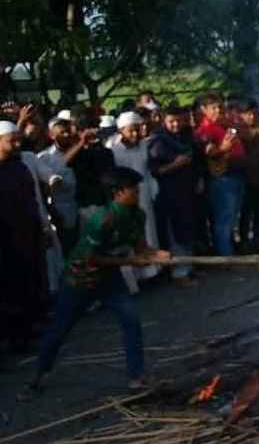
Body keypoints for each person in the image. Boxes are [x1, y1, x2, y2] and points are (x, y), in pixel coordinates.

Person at [20, 167, 171, 400]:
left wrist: (156, 254)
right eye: (134, 188)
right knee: (60, 330)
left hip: (110, 279)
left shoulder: (137, 215)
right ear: (117, 193)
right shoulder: (103, 220)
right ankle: (38, 376)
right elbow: (90, 257)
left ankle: (136, 377)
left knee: (131, 321)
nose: (138, 191)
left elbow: (141, 248)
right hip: (80, 280)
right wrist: (128, 260)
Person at [0, 120, 49, 360]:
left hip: (26, 234)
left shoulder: (19, 167)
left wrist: (42, 226)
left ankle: (26, 332)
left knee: (27, 282)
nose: (18, 143)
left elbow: (33, 199)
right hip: (5, 240)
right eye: (12, 140)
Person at [148, 106, 199, 285]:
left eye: (178, 120)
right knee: (175, 235)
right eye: (171, 121)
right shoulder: (158, 142)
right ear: (164, 122)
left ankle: (189, 268)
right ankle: (179, 273)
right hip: (169, 195)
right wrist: (175, 165)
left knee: (188, 231)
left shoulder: (184, 136)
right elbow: (156, 171)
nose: (176, 124)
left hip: (186, 192)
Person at [109, 112, 160, 283]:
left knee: (148, 232)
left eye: (137, 130)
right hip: (125, 199)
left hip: (144, 195)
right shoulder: (113, 150)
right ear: (121, 130)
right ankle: (134, 278)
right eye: (131, 131)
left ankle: (152, 273)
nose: (135, 134)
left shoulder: (144, 146)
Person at [196, 93, 244, 257]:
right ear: (204, 109)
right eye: (213, 107)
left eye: (220, 106)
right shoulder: (205, 129)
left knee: (230, 218)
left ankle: (228, 250)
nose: (218, 110)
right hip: (222, 179)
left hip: (234, 175)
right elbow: (209, 152)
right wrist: (223, 148)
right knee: (224, 218)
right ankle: (225, 256)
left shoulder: (222, 125)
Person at [37, 119, 80, 250]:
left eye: (68, 132)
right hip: (59, 210)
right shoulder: (45, 157)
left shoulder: (81, 152)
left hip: (78, 207)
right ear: (52, 135)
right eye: (62, 132)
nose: (66, 135)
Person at [238, 102, 259, 252]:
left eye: (253, 113)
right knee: (245, 211)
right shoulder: (236, 131)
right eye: (248, 114)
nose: (251, 116)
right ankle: (244, 239)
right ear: (241, 115)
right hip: (244, 177)